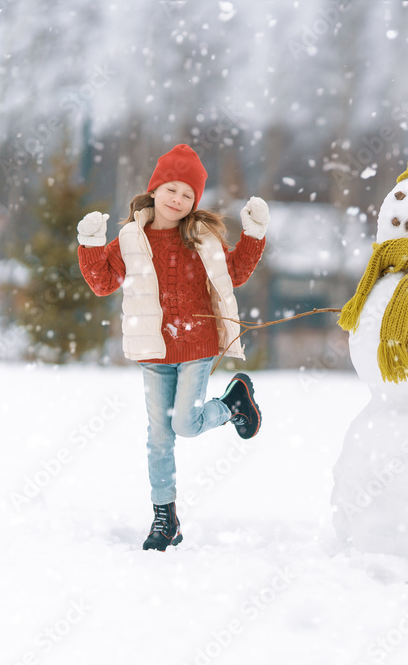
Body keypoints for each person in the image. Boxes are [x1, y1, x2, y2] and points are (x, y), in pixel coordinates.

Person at [76, 144, 270, 551]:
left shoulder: (200, 236)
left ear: (195, 200)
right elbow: (102, 283)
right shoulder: (131, 238)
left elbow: (233, 273)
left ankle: (232, 405)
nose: (178, 199)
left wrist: (253, 235)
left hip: (196, 344)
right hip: (153, 351)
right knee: (159, 438)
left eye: (187, 194)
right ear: (154, 189)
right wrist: (91, 243)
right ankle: (165, 520)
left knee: (185, 424)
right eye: (171, 189)